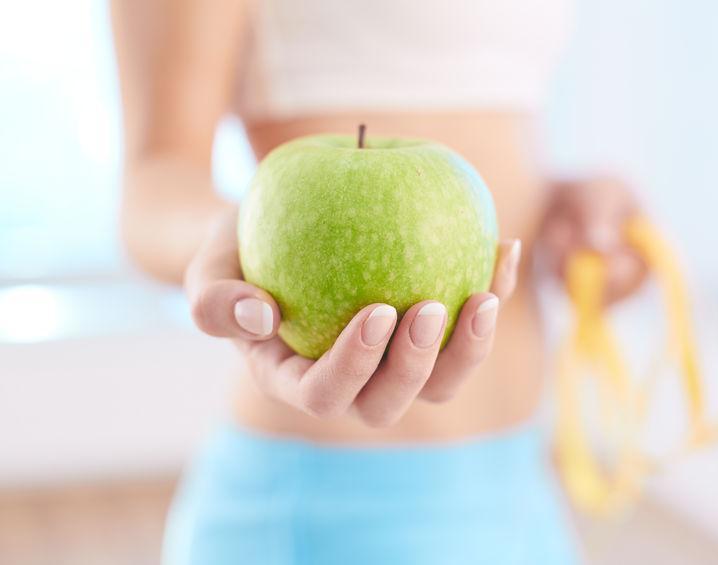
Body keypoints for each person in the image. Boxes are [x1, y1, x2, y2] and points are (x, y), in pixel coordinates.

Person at [111, 0, 646, 563]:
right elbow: (155, 180)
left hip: (523, 482)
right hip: (328, 505)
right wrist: (234, 243)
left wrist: (563, 217)